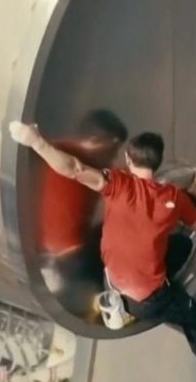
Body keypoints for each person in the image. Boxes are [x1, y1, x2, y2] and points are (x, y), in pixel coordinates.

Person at [9, 122, 196, 371]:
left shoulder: (117, 184)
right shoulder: (173, 198)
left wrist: (36, 141)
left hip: (112, 282)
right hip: (147, 300)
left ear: (128, 159)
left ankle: (135, 301)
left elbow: (74, 168)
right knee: (191, 315)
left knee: (180, 245)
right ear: (157, 162)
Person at [31, 110, 129, 316]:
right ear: (95, 141)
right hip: (73, 260)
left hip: (60, 256)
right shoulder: (74, 163)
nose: (113, 158)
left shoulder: (66, 153)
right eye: (112, 150)